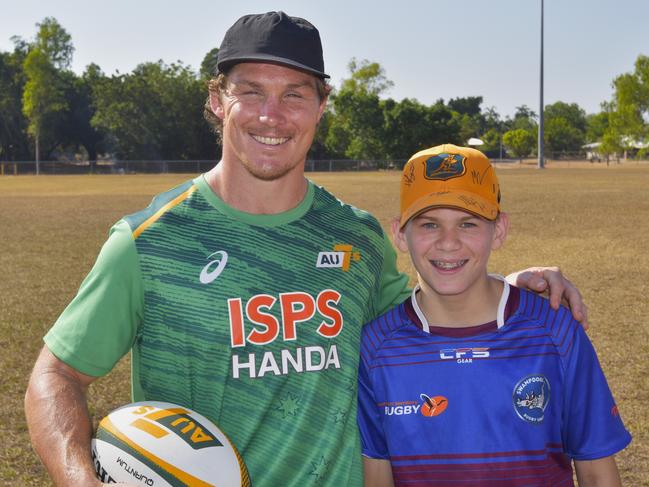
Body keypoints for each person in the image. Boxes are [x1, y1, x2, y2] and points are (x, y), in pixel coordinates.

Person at [25, 12, 588, 487]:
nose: (273, 115)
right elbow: (55, 378)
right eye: (251, 91)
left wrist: (508, 287)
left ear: (321, 107)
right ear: (219, 101)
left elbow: (424, 320)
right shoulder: (148, 243)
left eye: (295, 94)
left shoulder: (358, 239)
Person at [357, 144, 631, 487]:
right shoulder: (376, 348)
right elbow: (376, 474)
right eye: (429, 224)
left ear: (499, 230)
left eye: (468, 224)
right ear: (399, 233)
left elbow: (596, 469)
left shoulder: (555, 330)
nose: (448, 242)